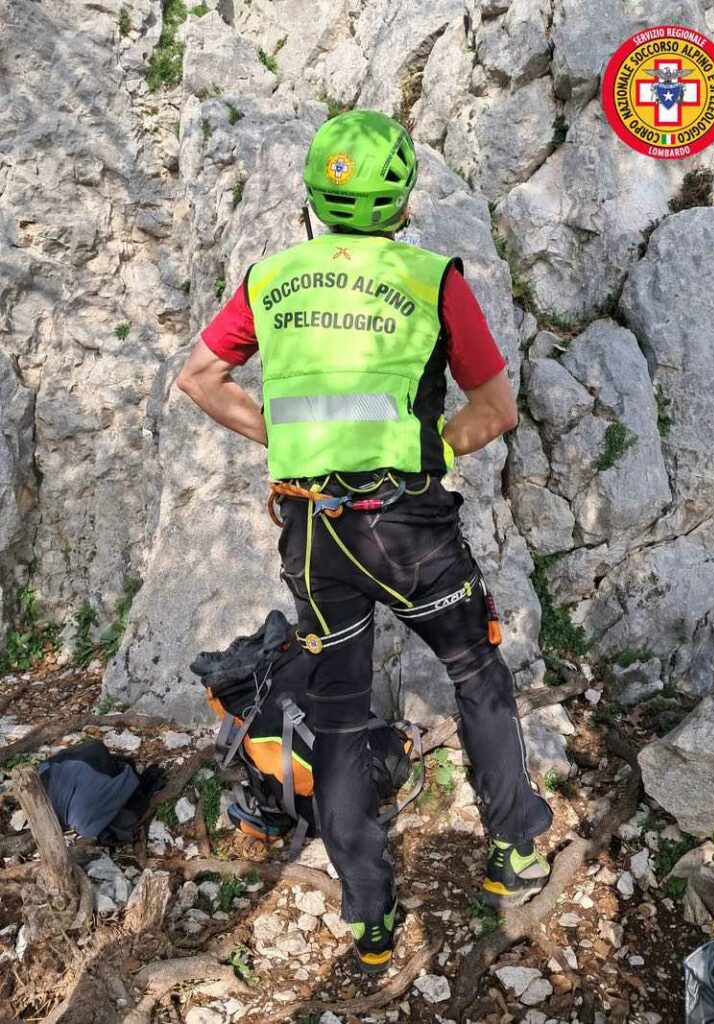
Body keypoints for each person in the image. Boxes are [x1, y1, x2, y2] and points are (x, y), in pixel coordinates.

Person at [177, 110, 553, 974]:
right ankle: (512, 849)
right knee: (476, 670)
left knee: (340, 717)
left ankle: (372, 919)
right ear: (403, 198)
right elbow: (495, 411)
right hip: (409, 527)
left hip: (315, 533)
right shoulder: (431, 280)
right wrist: (428, 452)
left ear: (312, 195)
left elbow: (201, 379)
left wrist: (286, 443)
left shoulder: (269, 279)